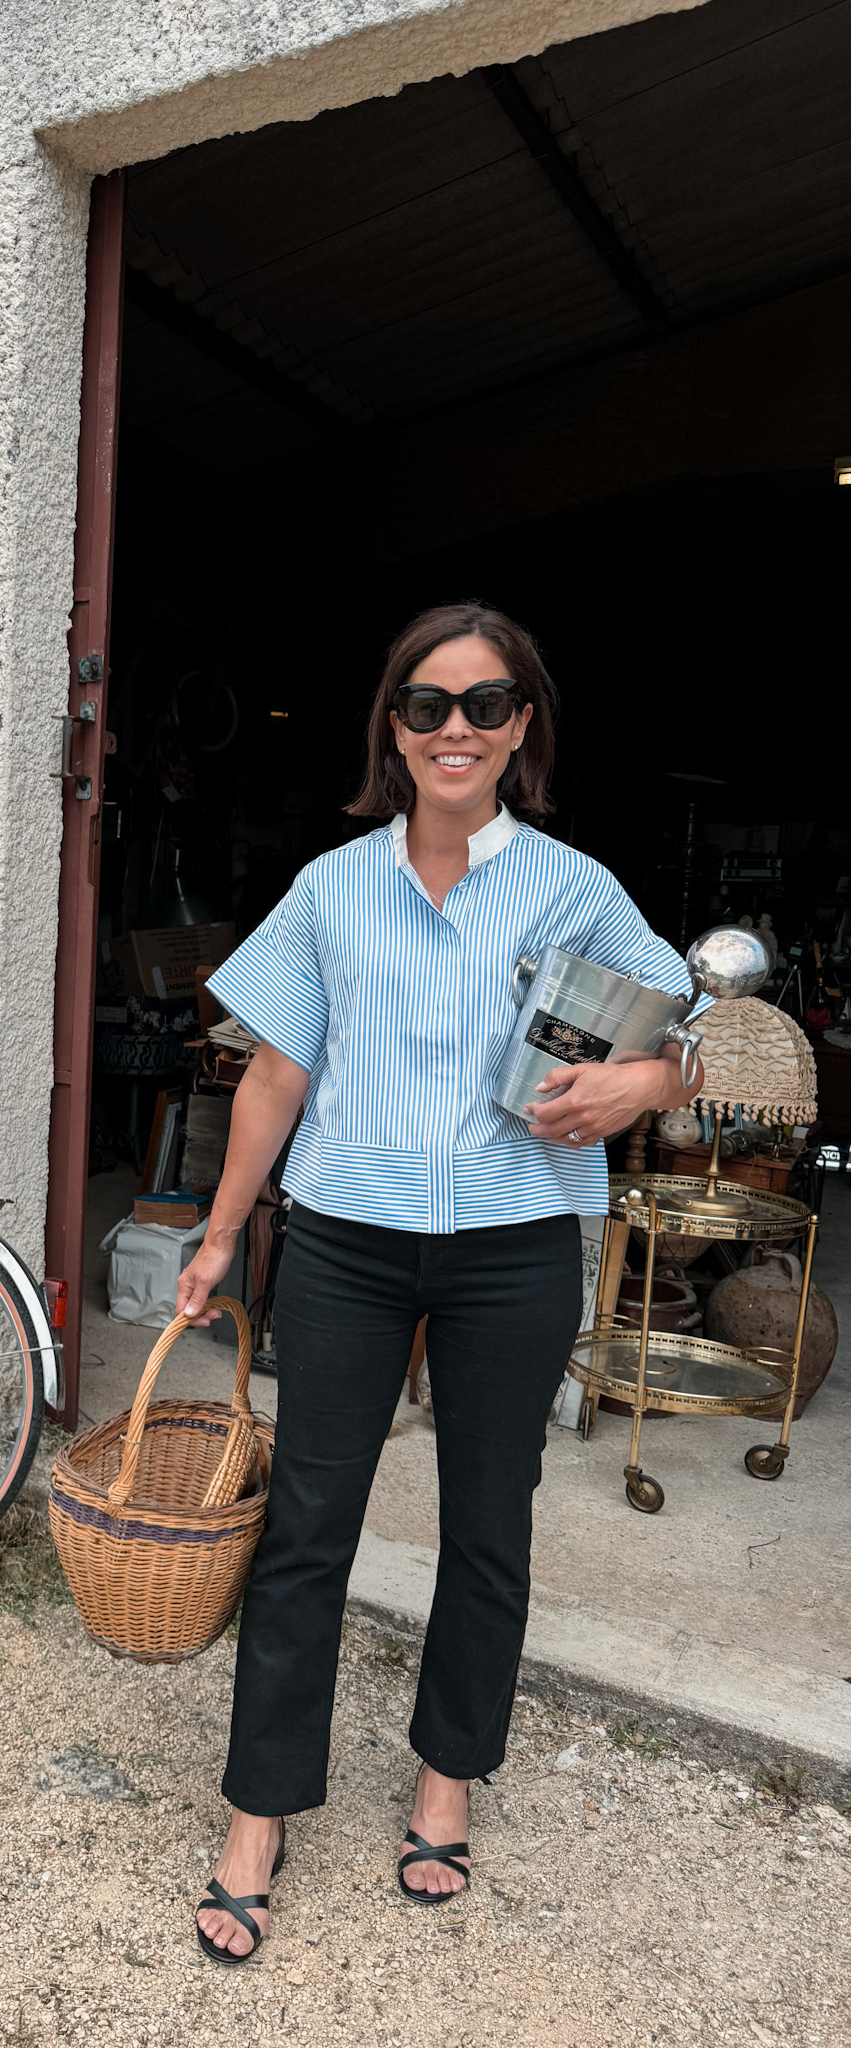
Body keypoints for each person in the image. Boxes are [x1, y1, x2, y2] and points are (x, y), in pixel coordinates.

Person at [183, 602, 705, 1963]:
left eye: (484, 705)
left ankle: (445, 1781)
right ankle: (259, 1810)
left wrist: (643, 1079)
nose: (455, 728)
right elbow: (279, 1072)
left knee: (487, 1525)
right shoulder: (330, 889)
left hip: (513, 1245)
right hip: (347, 1242)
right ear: (394, 729)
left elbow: (681, 1035)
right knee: (307, 1524)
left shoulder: (576, 889)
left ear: (522, 726)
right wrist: (222, 1233)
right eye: (427, 705)